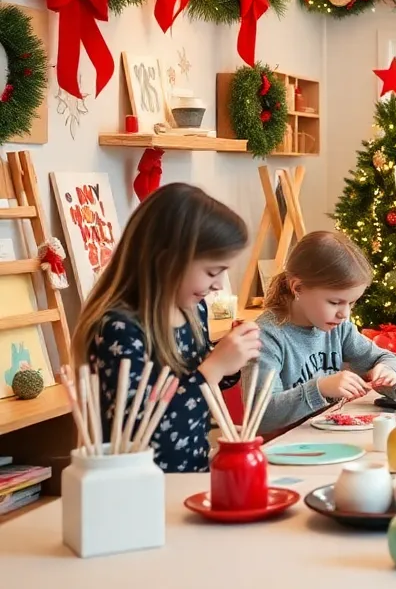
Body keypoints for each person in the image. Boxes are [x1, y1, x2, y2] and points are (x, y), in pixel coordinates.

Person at [77, 184, 262, 473]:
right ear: (166, 261)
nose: (218, 284)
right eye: (213, 272)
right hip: (136, 484)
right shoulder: (118, 327)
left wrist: (231, 361)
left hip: (190, 475)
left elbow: (195, 382)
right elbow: (140, 423)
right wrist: (213, 368)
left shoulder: (191, 310)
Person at [247, 231, 396, 435]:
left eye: (352, 303)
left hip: (326, 439)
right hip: (280, 452)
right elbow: (260, 417)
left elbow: (384, 358)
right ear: (298, 288)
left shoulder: (338, 327)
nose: (345, 313)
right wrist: (321, 388)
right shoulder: (265, 336)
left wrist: (395, 381)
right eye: (335, 302)